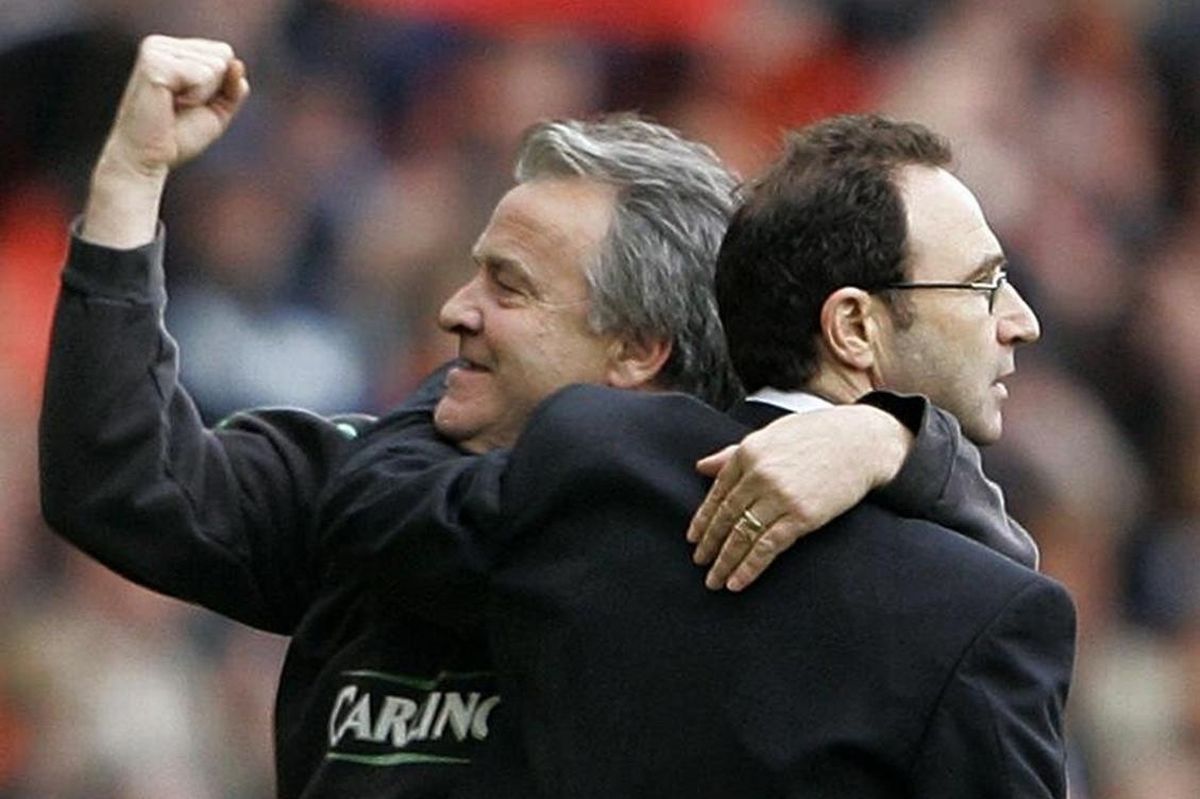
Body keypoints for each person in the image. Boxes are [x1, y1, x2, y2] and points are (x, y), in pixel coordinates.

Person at [39, 37, 1033, 799]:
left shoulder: (747, 514)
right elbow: (127, 482)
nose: (454, 310)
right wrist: (131, 179)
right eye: (474, 271)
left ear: (638, 346)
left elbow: (975, 591)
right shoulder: (359, 473)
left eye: (508, 287)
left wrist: (893, 436)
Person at [355, 115, 1075, 797]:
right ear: (853, 326)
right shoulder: (985, 607)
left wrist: (896, 436)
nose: (1022, 319)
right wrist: (906, 441)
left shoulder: (588, 462)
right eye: (984, 284)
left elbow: (373, 507)